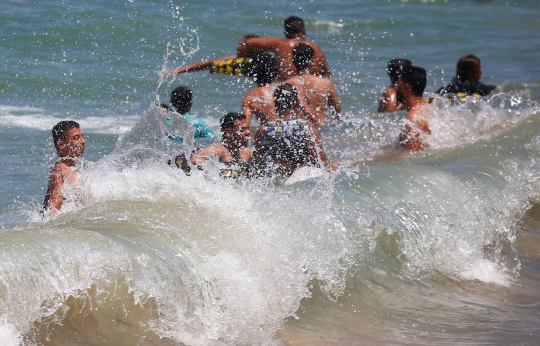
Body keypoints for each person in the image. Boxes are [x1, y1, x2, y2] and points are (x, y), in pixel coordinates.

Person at [255, 83, 338, 177]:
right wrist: (334, 167)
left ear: (275, 103)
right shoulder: (308, 127)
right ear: (297, 103)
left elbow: (258, 161)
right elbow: (320, 163)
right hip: (300, 178)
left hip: (274, 178)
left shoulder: (264, 129)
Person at [236, 16, 331, 81]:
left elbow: (248, 43)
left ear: (286, 33)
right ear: (304, 31)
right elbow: (327, 74)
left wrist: (243, 56)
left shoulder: (280, 44)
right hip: (310, 93)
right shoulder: (316, 48)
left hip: (287, 92)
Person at [285, 43, 342, 125]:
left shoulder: (286, 86)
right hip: (322, 128)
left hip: (299, 129)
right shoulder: (326, 83)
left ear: (293, 60)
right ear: (311, 61)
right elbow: (338, 114)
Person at [190, 112, 253, 177]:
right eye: (242, 129)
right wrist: (214, 170)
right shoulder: (219, 150)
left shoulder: (247, 152)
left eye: (248, 128)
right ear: (228, 132)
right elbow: (195, 158)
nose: (248, 132)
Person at [43, 120, 86, 215]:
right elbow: (52, 207)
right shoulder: (61, 170)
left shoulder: (70, 167)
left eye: (82, 136)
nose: (83, 141)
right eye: (76, 138)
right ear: (61, 145)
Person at [167, 34, 259, 76]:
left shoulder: (264, 63)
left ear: (252, 47)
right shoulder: (236, 59)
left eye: (241, 45)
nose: (236, 47)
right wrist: (180, 70)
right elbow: (210, 63)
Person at [396, 66, 433, 151]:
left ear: (405, 87)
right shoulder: (429, 109)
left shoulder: (412, 118)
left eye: (398, 83)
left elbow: (410, 156)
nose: (396, 87)